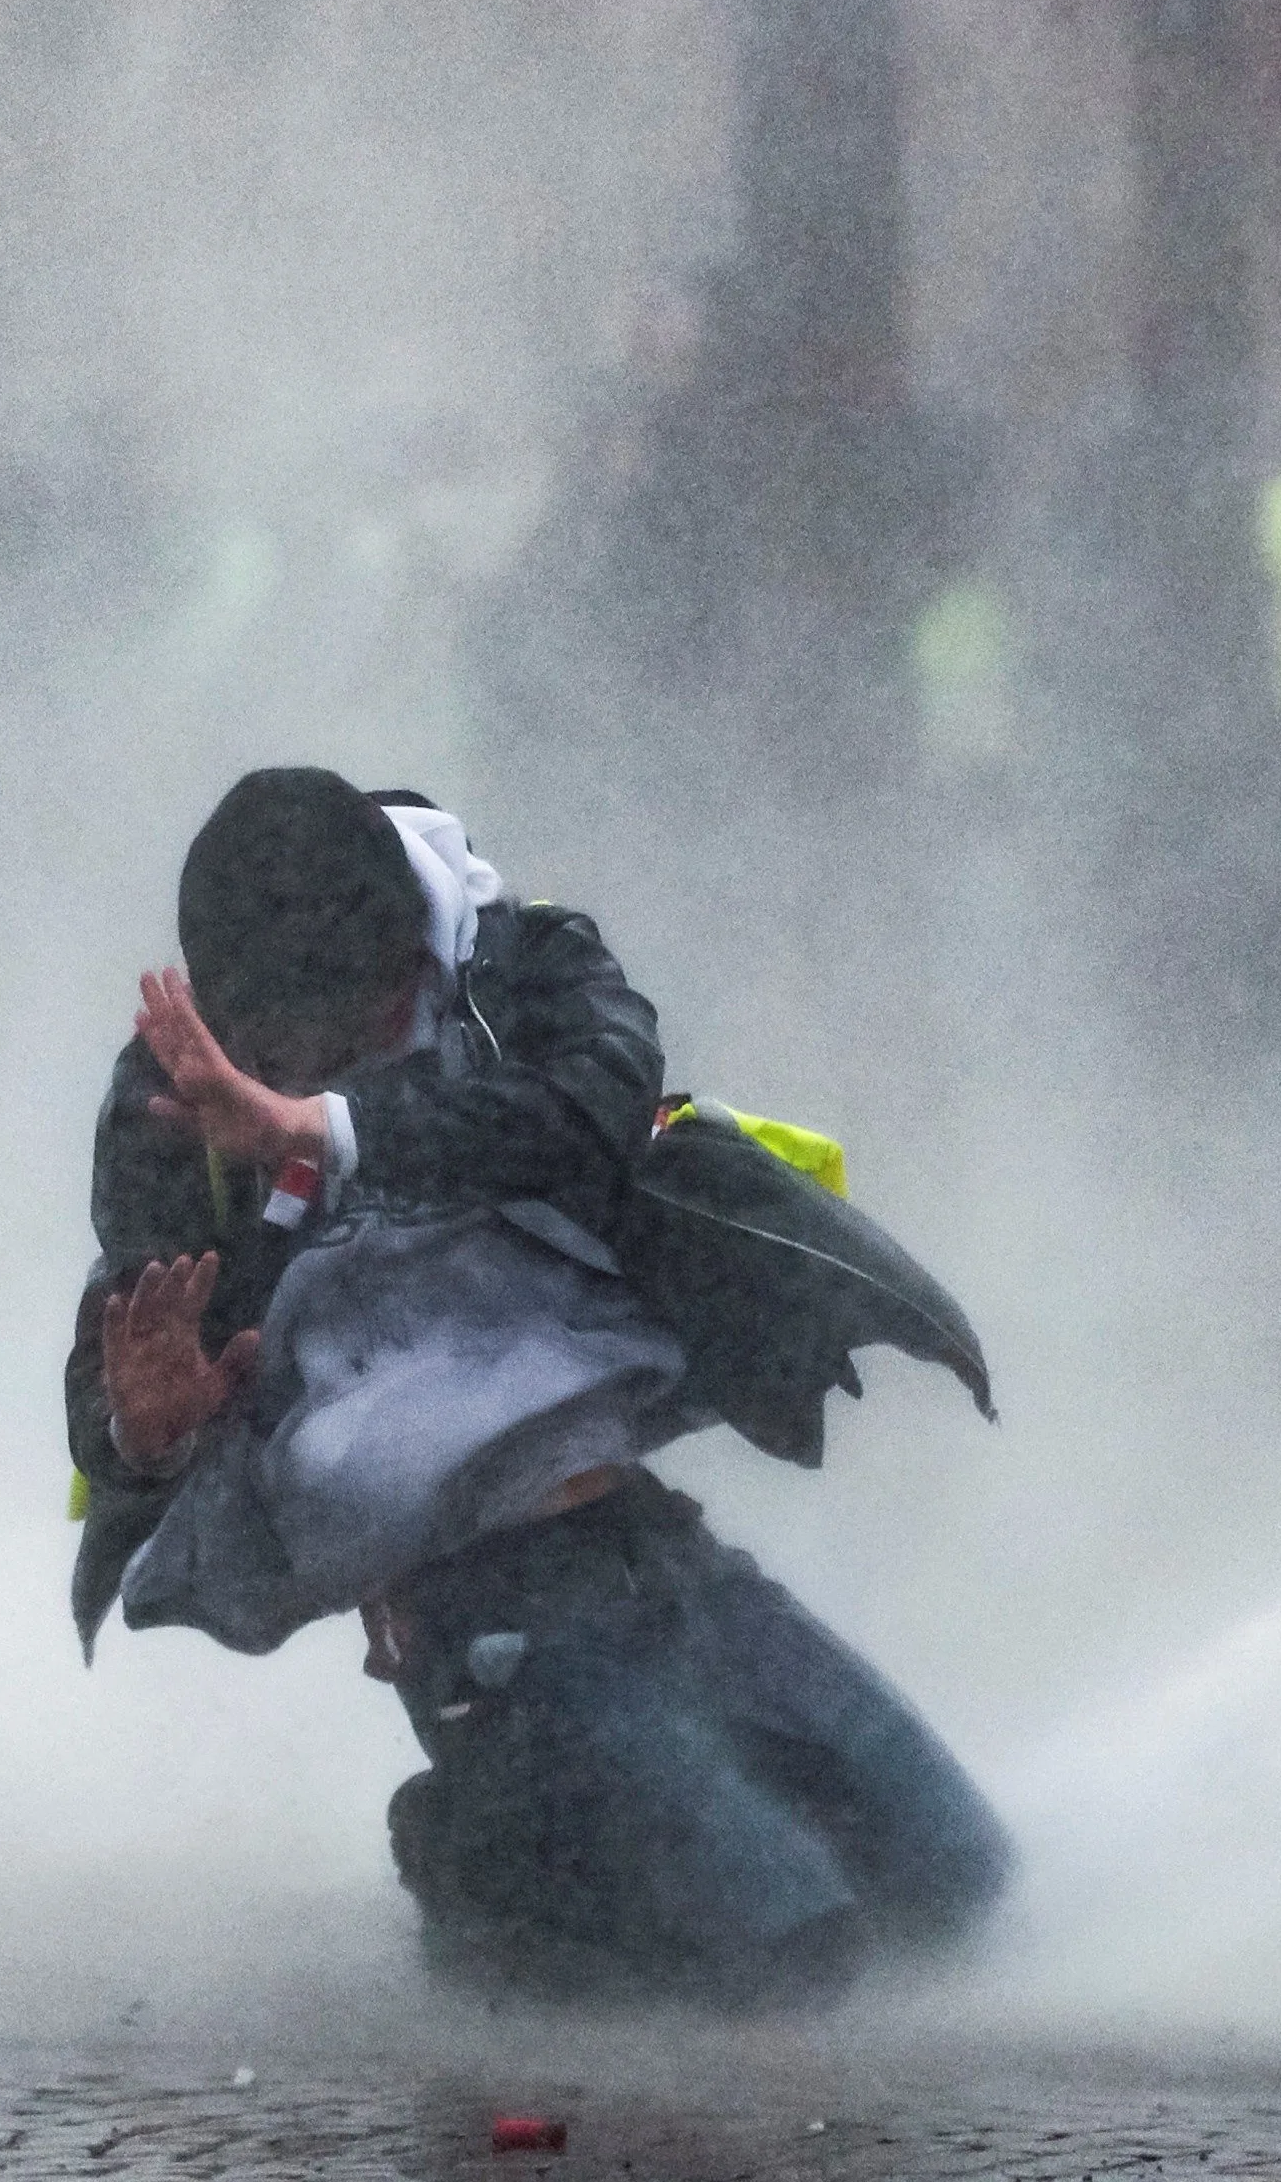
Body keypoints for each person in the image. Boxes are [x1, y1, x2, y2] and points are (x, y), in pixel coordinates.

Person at [64, 767, 1009, 2008]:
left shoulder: (522, 965)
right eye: (273, 1046)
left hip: (644, 1533)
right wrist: (144, 1427)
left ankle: (536, 1841)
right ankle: (481, 1857)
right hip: (473, 1605)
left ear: (408, 949)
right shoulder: (168, 1099)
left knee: (959, 1879)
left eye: (336, 1026)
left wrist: (324, 1129)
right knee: (788, 1937)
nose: (297, 1064)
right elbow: (119, 1356)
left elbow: (590, 1107)